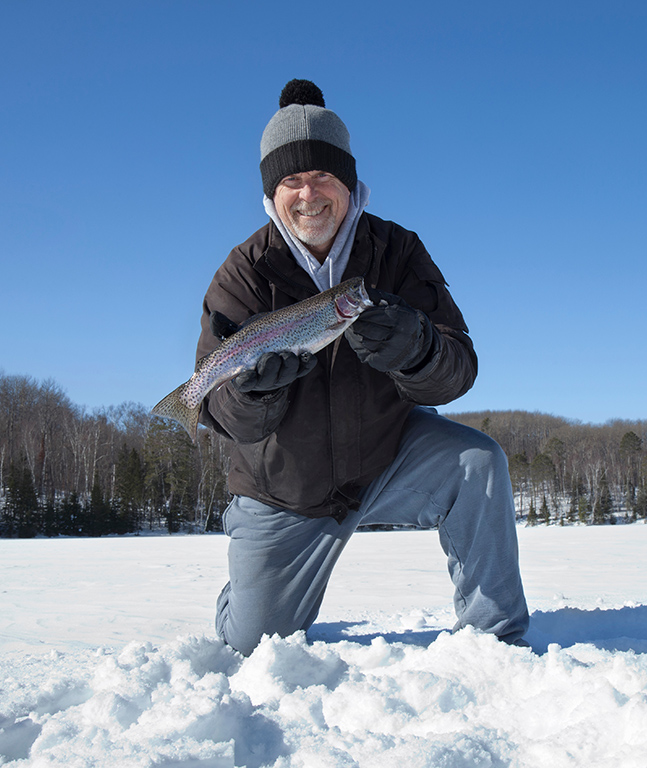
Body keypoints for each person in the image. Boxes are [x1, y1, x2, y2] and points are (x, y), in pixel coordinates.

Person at [196, 79, 529, 656]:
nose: (309, 194)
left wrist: (417, 349)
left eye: (324, 176)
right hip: (287, 488)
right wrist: (250, 396)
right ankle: (245, 582)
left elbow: (460, 367)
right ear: (271, 194)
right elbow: (216, 408)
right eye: (291, 181)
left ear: (349, 183)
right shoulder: (244, 273)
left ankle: (495, 640)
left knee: (479, 461)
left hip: (388, 455)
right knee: (250, 646)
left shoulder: (396, 251)